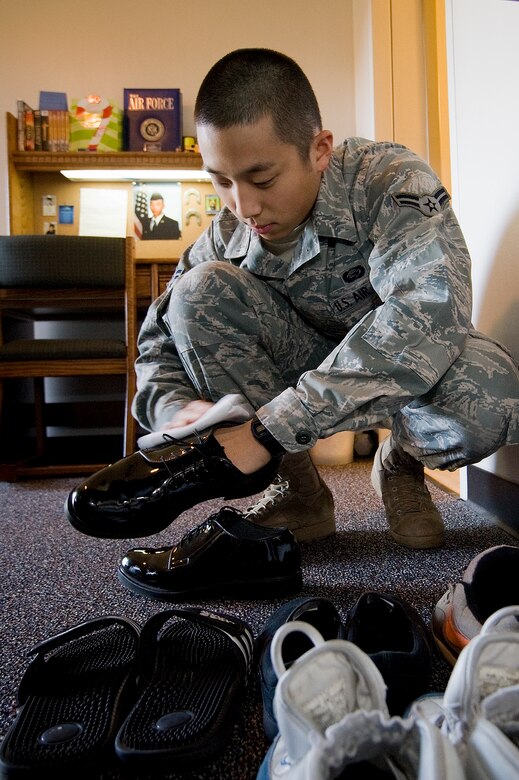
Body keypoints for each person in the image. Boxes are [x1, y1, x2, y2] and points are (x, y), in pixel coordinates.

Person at [69, 48, 519, 552]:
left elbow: (427, 312)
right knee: (196, 294)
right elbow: (159, 340)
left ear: (320, 149)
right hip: (303, 367)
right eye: (221, 181)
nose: (244, 206)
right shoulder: (226, 233)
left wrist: (268, 432)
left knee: (492, 396)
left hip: (409, 369)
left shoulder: (387, 179)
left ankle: (399, 462)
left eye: (262, 179)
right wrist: (174, 407)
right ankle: (300, 492)